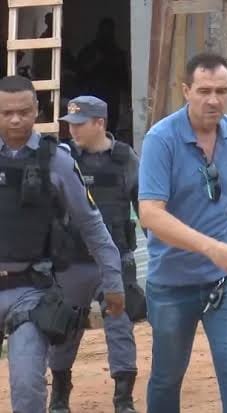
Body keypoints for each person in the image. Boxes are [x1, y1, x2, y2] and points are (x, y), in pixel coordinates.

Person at [138, 52, 227, 412]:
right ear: (186, 90)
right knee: (167, 375)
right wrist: (211, 248)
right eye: (204, 91)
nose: (213, 100)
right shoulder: (161, 139)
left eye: (222, 91)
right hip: (173, 281)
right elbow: (150, 214)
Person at [0, 75, 124, 413]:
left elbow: (92, 224)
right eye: (7, 113)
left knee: (28, 388)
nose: (15, 120)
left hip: (29, 291)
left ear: (36, 110)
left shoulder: (56, 161)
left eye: (23, 112)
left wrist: (114, 281)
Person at [47, 96, 144, 413]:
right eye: (70, 124)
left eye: (80, 124)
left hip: (114, 260)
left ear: (100, 123)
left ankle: (123, 398)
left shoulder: (124, 158)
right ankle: (59, 394)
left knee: (119, 323)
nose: (72, 130)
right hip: (72, 260)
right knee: (63, 327)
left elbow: (144, 205)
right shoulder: (63, 158)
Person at [76, 18, 129, 133]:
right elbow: (80, 71)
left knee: (110, 126)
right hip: (93, 94)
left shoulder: (117, 54)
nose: (106, 34)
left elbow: (124, 78)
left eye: (109, 31)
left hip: (112, 96)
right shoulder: (90, 51)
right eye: (104, 30)